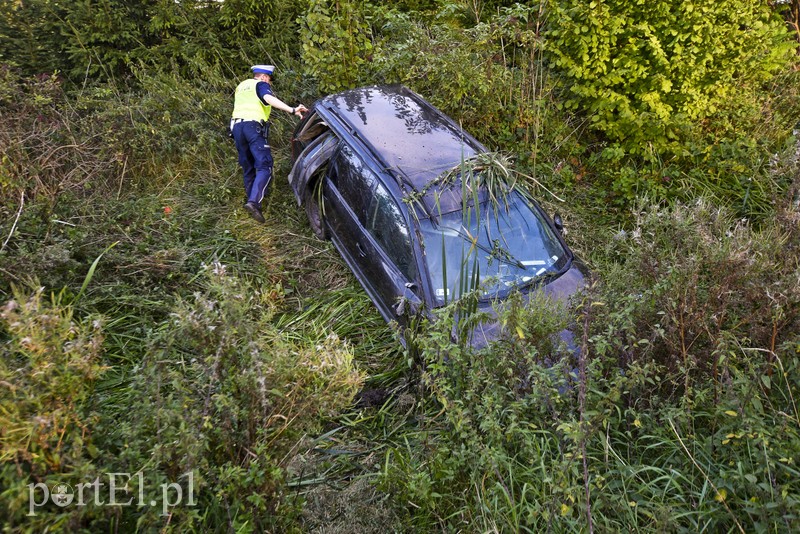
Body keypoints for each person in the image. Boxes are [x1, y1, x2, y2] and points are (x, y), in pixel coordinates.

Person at [231, 64, 308, 223]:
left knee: (248, 167)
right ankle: (254, 203)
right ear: (264, 77)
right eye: (269, 80)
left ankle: (252, 202)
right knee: (264, 166)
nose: (269, 84)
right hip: (253, 127)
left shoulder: (241, 86)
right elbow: (268, 98)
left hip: (237, 128)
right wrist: (292, 110)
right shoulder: (261, 84)